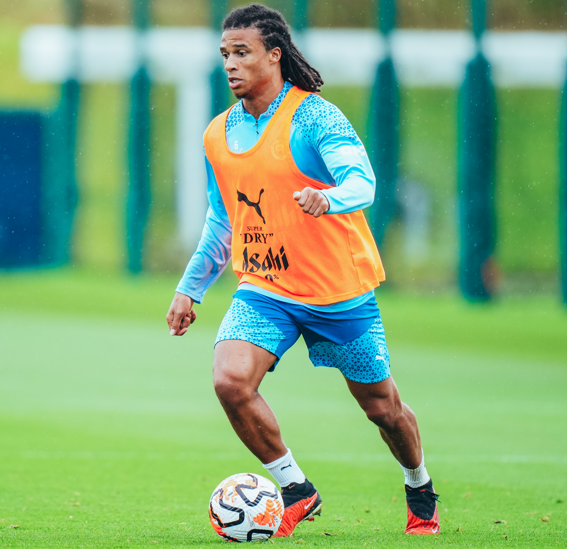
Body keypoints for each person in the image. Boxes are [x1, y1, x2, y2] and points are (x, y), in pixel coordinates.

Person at [165, 3, 439, 537]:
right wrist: (189, 289)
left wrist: (329, 197)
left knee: (384, 410)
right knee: (229, 381)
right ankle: (295, 488)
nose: (230, 64)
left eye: (241, 53)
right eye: (225, 54)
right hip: (264, 288)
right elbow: (222, 224)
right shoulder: (217, 135)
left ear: (274, 55)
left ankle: (418, 483)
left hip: (338, 292)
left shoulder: (314, 115)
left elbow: (364, 183)